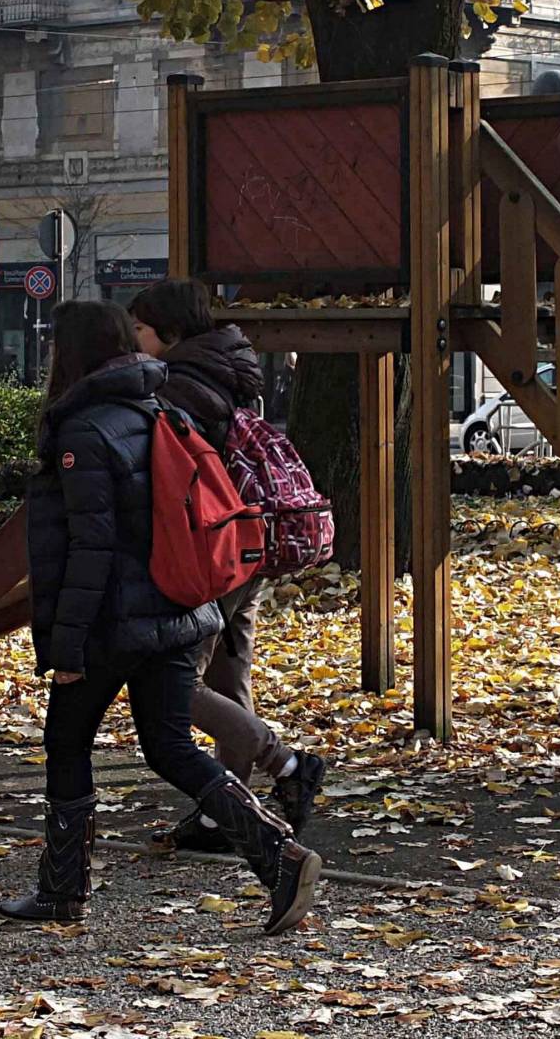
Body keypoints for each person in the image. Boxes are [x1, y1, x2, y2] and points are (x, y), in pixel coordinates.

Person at [0, 300, 321, 935]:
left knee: (67, 742)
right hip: (179, 610)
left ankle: (63, 890)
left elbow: (88, 550)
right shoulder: (161, 409)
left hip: (111, 623)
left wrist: (66, 649)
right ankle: (278, 857)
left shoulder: (83, 430)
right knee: (170, 746)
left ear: (70, 353)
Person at [127, 280, 326, 853]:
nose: (134, 341)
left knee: (173, 682)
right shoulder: (228, 367)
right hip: (252, 537)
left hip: (214, 550)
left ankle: (287, 765)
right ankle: (225, 813)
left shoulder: (185, 386)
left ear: (170, 333)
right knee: (228, 673)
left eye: (140, 330)